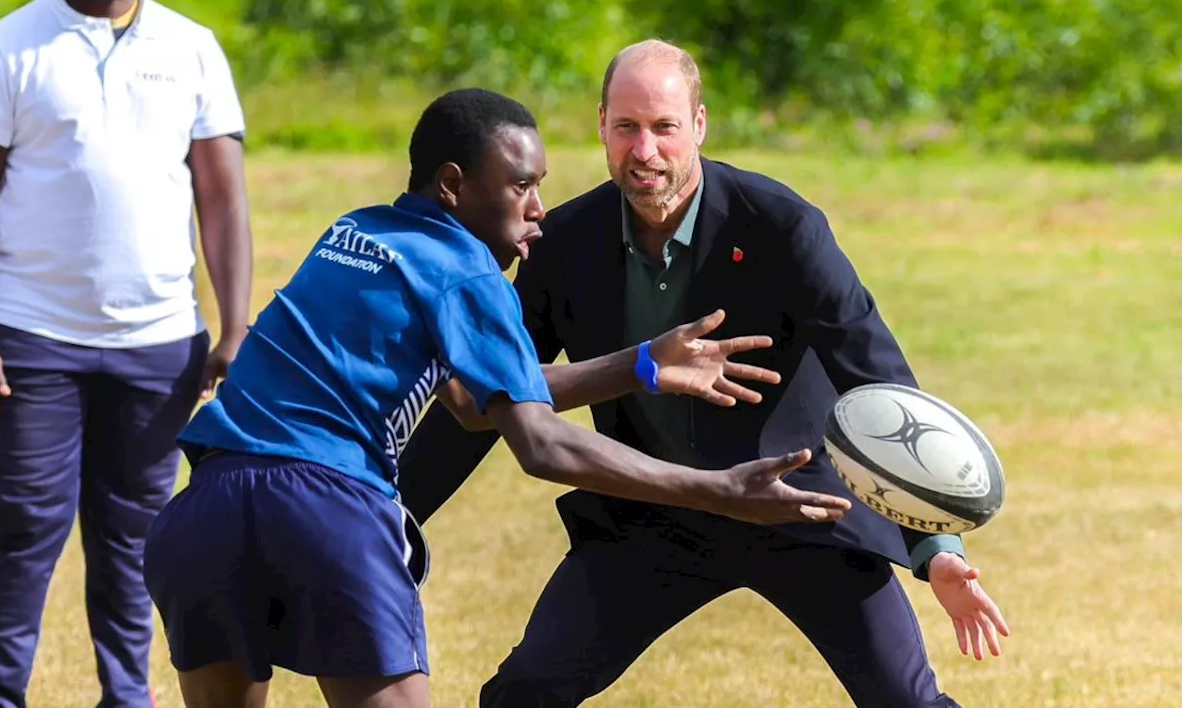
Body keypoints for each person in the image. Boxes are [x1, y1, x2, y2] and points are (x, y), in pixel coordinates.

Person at [141, 87, 856, 708]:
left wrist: (640, 364)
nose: (540, 208)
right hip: (326, 509)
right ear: (452, 185)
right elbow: (537, 442)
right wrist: (718, 489)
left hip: (204, 512)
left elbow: (473, 398)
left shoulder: (353, 231)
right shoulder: (466, 271)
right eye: (521, 186)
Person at [396, 41, 1012, 708]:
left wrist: (936, 546)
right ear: (601, 123)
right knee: (524, 691)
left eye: (664, 127)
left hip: (799, 509)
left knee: (907, 701)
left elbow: (874, 377)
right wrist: (391, 515)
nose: (645, 150)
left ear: (698, 125)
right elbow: (496, 392)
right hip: (657, 516)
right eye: (627, 127)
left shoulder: (782, 227)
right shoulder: (563, 244)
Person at [0, 0, 251, 708]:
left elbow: (222, 201)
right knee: (23, 532)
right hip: (30, 340)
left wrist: (234, 326)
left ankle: (128, 696)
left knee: (136, 542)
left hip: (157, 344)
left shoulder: (191, 48)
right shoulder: (7, 47)